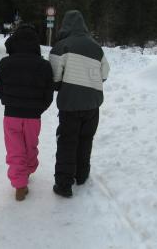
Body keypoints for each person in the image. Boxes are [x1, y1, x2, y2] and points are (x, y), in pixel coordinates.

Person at [49, 10, 110, 198]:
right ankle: (81, 175)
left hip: (71, 104)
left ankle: (64, 184)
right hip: (93, 105)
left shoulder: (61, 46)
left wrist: (62, 85)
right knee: (85, 140)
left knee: (67, 142)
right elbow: (105, 74)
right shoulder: (96, 47)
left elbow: (54, 77)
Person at [0, 24, 54, 201]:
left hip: (11, 114)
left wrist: (8, 102)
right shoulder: (44, 65)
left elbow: (0, 89)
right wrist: (38, 109)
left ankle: (19, 185)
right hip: (33, 117)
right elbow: (49, 94)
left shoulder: (5, 63)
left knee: (14, 149)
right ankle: (27, 171)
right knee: (30, 146)